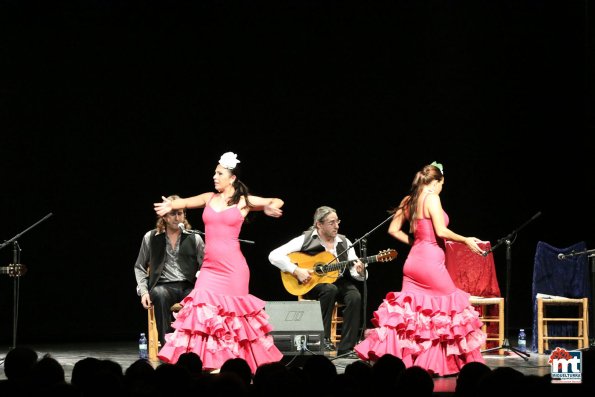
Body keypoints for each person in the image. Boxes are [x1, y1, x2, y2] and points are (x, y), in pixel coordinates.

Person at [153, 151, 285, 373]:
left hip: (234, 270)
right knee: (203, 313)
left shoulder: (243, 201)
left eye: (219, 173)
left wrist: (270, 207)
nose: (214, 176)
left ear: (232, 177)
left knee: (233, 319)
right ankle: (205, 363)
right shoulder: (209, 198)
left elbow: (276, 200)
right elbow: (184, 201)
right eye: (214, 173)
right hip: (210, 269)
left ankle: (233, 366)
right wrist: (171, 206)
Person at [354, 161, 487, 376]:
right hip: (430, 262)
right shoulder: (432, 197)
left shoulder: (409, 200)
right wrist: (466, 240)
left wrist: (417, 242)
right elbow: (442, 231)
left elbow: (393, 230)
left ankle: (399, 362)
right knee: (450, 307)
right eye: (442, 184)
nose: (442, 188)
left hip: (413, 262)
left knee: (411, 315)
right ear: (435, 182)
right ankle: (439, 363)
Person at [269, 206, 366, 356]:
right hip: (310, 283)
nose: (337, 226)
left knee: (354, 296)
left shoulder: (344, 242)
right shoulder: (306, 239)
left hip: (335, 280)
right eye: (331, 222)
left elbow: (355, 270)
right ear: (319, 224)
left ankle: (346, 348)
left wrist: (360, 271)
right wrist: (296, 270)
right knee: (329, 290)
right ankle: (323, 339)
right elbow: (274, 255)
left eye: (337, 221)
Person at [134, 195, 205, 348]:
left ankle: (193, 346)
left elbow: (205, 265)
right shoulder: (151, 237)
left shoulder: (195, 238)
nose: (177, 217)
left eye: (180, 213)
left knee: (197, 297)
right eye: (172, 213)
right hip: (163, 286)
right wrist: (144, 291)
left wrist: (202, 283)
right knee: (159, 294)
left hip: (188, 285)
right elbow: (139, 266)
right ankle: (168, 346)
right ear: (164, 216)